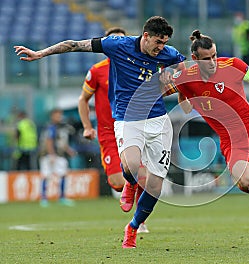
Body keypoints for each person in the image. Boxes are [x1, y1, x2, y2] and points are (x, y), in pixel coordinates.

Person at [15, 16, 186, 248]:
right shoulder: (117, 46)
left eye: (164, 43)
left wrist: (173, 78)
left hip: (158, 120)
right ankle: (131, 183)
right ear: (145, 36)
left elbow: (184, 69)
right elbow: (74, 44)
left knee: (156, 185)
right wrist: (41, 54)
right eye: (158, 42)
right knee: (131, 166)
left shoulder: (168, 54)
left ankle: (133, 227)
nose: (161, 47)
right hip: (128, 119)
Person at [164, 30, 249, 247]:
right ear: (195, 59)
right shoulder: (185, 77)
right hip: (231, 139)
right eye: (207, 59)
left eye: (215, 55)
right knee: (245, 183)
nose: (213, 62)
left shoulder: (233, 65)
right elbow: (163, 93)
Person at [78, 27, 149, 233]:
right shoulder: (97, 70)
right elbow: (83, 100)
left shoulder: (136, 66)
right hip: (108, 132)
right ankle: (130, 186)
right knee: (117, 183)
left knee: (142, 173)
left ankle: (140, 219)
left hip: (132, 126)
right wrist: (87, 127)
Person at [38, 108, 76, 207]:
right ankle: (43, 198)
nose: (59, 117)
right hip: (48, 155)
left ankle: (62, 197)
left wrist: (69, 150)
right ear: (52, 116)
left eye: (60, 115)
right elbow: (48, 141)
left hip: (59, 155)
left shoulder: (62, 127)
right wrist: (51, 154)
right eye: (57, 115)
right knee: (46, 175)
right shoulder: (50, 127)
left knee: (63, 174)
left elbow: (61, 142)